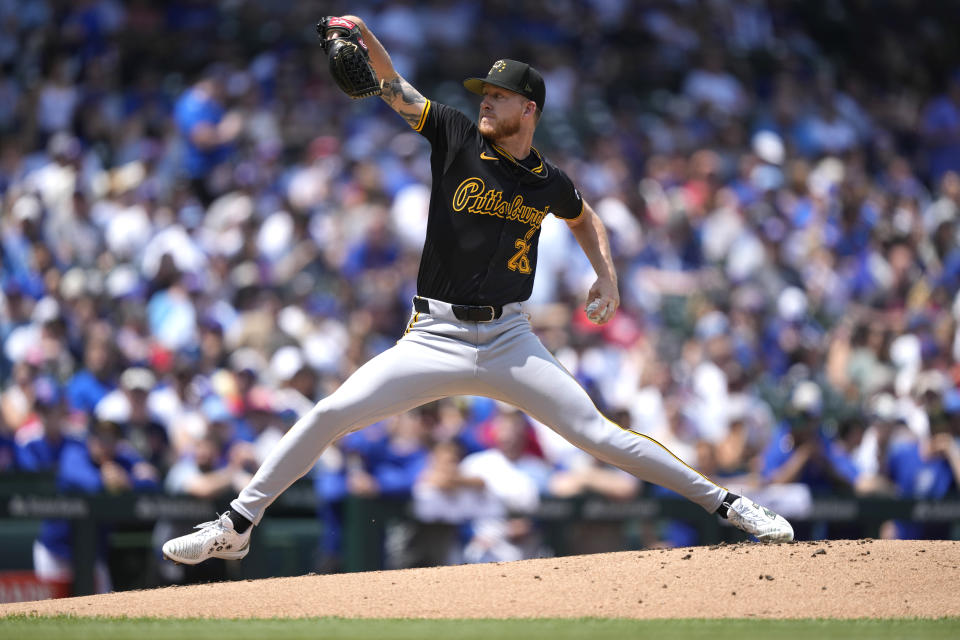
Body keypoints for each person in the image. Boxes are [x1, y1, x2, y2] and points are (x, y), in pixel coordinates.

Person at [161, 14, 793, 566]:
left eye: (499, 96)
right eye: (484, 93)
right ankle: (235, 526)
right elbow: (395, 87)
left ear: (530, 110)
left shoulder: (548, 179)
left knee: (600, 435)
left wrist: (607, 272)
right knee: (330, 414)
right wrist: (362, 33)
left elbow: (583, 215)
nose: (486, 102)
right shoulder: (456, 136)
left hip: (510, 337)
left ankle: (733, 506)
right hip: (434, 334)